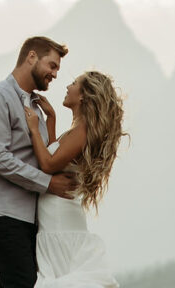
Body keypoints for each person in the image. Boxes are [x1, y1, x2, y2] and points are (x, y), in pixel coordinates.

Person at [0, 35, 78, 288]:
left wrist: (50, 120)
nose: (54, 74)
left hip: (29, 218)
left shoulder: (36, 108)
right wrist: (48, 183)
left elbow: (42, 158)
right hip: (0, 213)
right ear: (31, 57)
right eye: (52, 65)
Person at [24, 70, 126, 287]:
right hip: (59, 215)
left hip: (59, 220)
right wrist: (51, 120)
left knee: (62, 278)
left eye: (73, 83)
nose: (68, 86)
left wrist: (34, 129)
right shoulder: (75, 130)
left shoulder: (82, 131)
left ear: (82, 96)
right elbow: (55, 158)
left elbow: (48, 165)